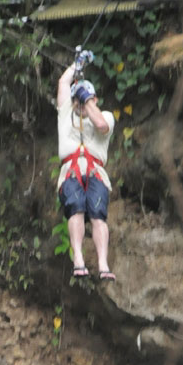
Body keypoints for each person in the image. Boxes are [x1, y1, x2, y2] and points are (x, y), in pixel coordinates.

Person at [56, 61, 116, 281]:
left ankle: (103, 263)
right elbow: (63, 82)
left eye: (86, 101)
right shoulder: (65, 116)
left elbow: (100, 124)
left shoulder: (106, 116)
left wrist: (86, 99)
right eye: (77, 101)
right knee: (76, 207)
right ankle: (78, 259)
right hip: (70, 171)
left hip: (96, 173)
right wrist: (76, 65)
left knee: (98, 215)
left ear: (95, 100)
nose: (79, 105)